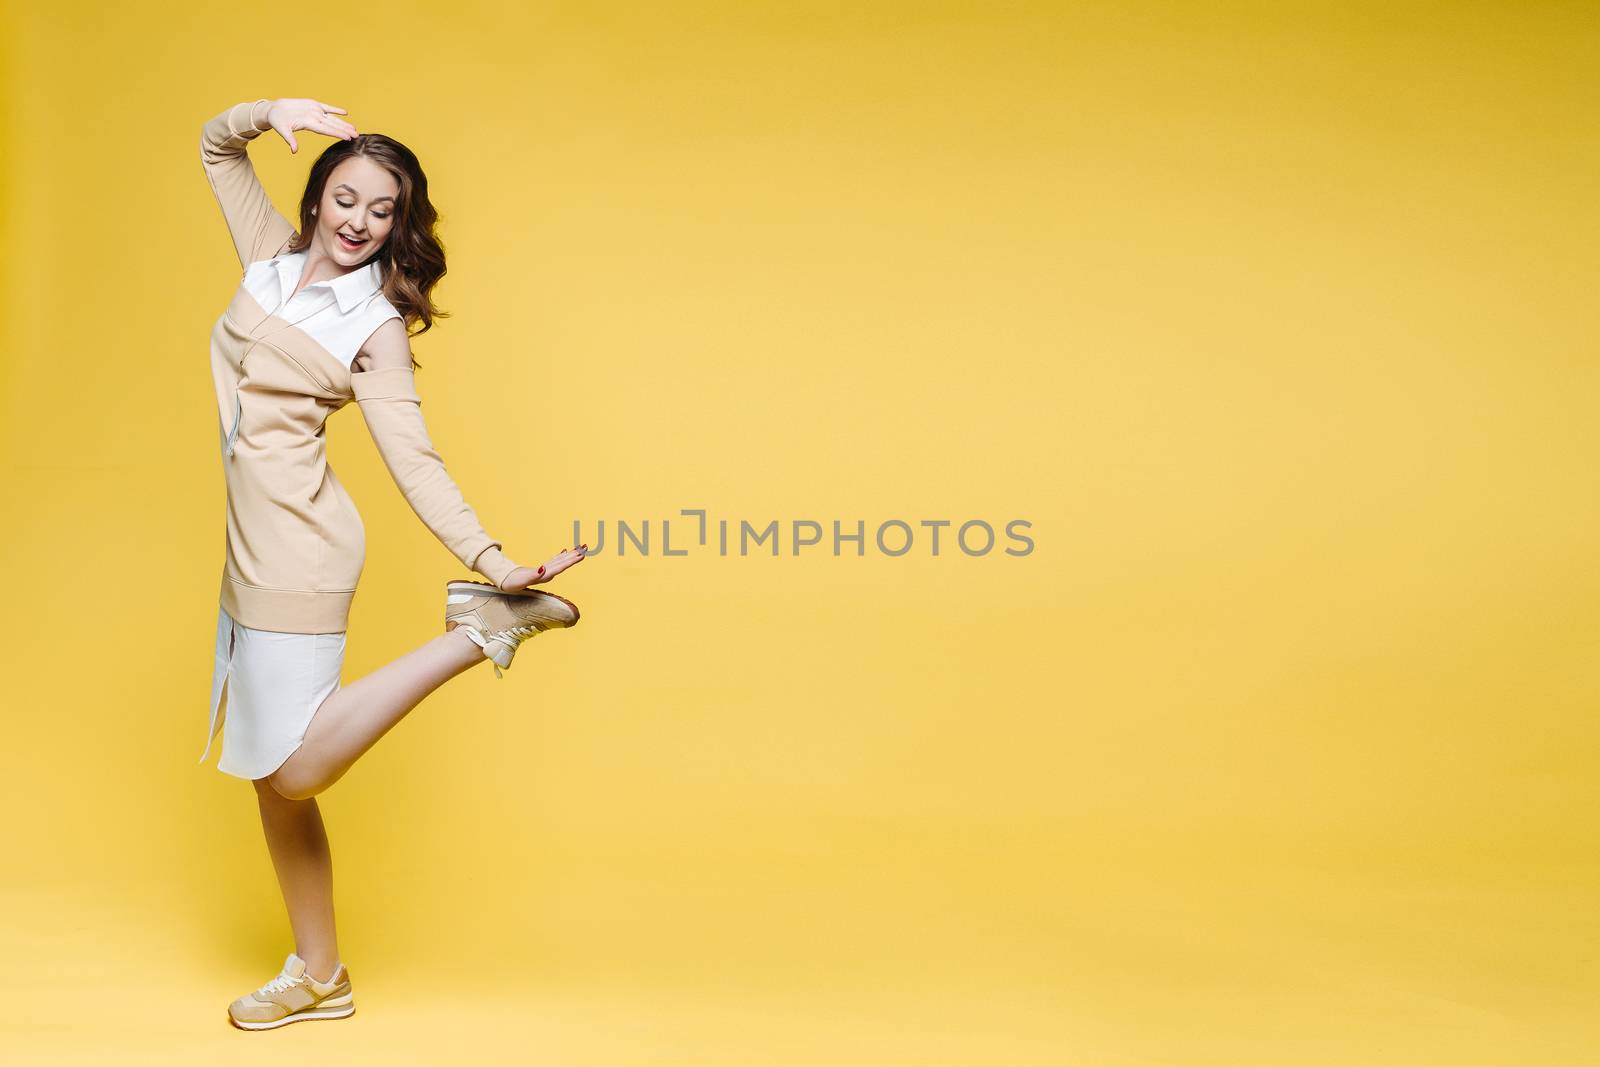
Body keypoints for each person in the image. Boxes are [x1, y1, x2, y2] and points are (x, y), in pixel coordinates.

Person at [197, 96, 588, 1030]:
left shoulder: (370, 327)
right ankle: (319, 974)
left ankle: (482, 626)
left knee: (295, 772)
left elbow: (414, 457)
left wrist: (495, 557)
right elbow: (218, 147)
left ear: (400, 224)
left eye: (382, 210)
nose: (358, 221)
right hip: (247, 546)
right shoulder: (269, 259)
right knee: (266, 773)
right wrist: (270, 111)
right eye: (346, 197)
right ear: (319, 195)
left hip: (301, 547)